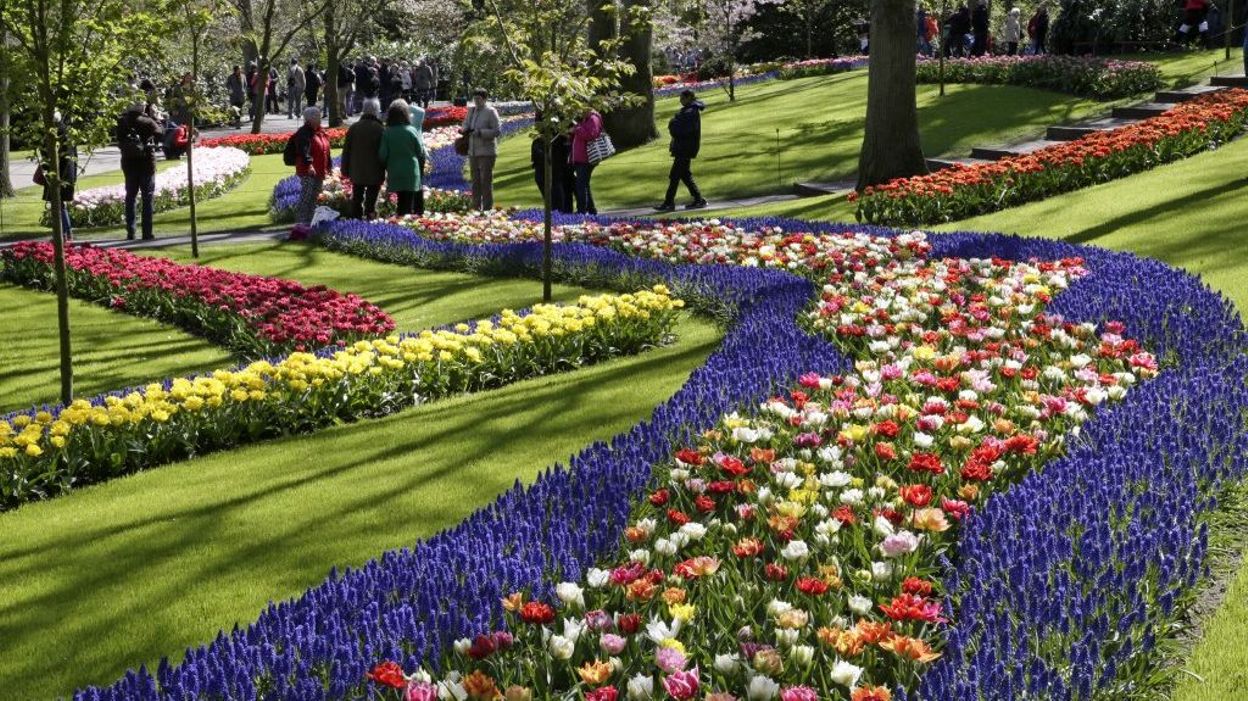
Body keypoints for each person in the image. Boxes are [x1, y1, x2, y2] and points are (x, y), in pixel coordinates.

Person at [115, 101, 161, 241]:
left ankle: (131, 231)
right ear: (142, 106)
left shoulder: (122, 121)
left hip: (129, 164)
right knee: (147, 197)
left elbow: (118, 140)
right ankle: (147, 232)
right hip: (146, 163)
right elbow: (160, 133)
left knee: (130, 196)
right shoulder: (147, 121)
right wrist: (157, 118)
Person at [655, 90, 707, 212]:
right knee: (684, 175)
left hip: (685, 148)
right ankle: (698, 199)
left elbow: (682, 130)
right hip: (684, 148)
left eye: (682, 98)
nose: (680, 100)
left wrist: (672, 124)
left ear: (688, 98)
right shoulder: (689, 110)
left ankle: (669, 203)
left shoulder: (690, 112)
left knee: (674, 176)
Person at [379, 99, 428, 216]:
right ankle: (409, 223)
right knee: (409, 198)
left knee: (401, 200)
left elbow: (382, 154)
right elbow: (419, 151)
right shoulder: (411, 130)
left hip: (395, 170)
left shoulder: (387, 132)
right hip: (411, 170)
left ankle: (401, 222)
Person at [341, 98, 386, 219]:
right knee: (371, 199)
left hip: (357, 170)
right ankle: (370, 217)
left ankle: (356, 219)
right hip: (375, 170)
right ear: (376, 111)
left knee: (357, 197)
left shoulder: (354, 128)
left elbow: (346, 151)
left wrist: (344, 169)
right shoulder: (380, 129)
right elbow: (384, 152)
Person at [291, 106, 332, 227]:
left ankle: (309, 223)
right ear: (310, 119)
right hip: (308, 171)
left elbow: (326, 150)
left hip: (319, 170)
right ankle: (301, 224)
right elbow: (304, 151)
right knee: (306, 197)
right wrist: (309, 165)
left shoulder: (321, 132)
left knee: (314, 197)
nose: (320, 119)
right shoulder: (304, 132)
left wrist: (329, 165)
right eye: (318, 117)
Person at [461, 88, 500, 211]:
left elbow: (497, 131)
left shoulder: (490, 111)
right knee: (475, 181)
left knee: (486, 181)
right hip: (473, 151)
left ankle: (487, 208)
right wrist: (464, 129)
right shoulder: (471, 111)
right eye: (475, 99)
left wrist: (481, 133)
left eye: (479, 99)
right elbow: (466, 123)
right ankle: (476, 207)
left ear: (485, 99)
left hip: (486, 152)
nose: (476, 101)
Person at [39, 113, 77, 241]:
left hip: (57, 174)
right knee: (60, 204)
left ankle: (64, 234)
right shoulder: (68, 133)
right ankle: (66, 233)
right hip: (68, 173)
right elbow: (75, 157)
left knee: (58, 204)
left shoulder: (51, 135)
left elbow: (46, 157)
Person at [530, 113, 571, 213]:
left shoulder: (556, 138)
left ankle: (560, 213)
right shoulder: (538, 142)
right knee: (554, 190)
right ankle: (558, 213)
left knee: (558, 189)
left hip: (556, 164)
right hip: (549, 167)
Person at [568, 108, 604, 215]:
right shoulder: (586, 119)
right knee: (584, 184)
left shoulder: (593, 118)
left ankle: (582, 211)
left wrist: (577, 129)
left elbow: (592, 135)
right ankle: (591, 210)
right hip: (581, 157)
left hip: (587, 157)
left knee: (581, 185)